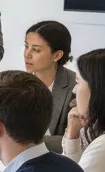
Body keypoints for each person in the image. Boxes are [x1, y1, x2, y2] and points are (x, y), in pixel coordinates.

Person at [23, 20, 76, 152]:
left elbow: (75, 140)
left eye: (36, 49)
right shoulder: (18, 84)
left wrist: (25, 144)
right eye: (26, 46)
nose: (27, 54)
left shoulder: (76, 87)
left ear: (57, 55)